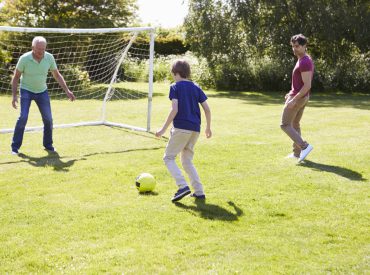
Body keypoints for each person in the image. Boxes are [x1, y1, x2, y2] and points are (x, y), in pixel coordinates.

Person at [155, 59, 212, 202]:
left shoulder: (175, 87)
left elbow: (174, 109)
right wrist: (208, 127)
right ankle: (199, 192)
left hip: (181, 128)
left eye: (173, 74)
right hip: (195, 130)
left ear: (175, 73)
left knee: (168, 158)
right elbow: (207, 109)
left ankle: (182, 186)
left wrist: (162, 130)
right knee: (187, 161)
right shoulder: (196, 87)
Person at [11, 36, 75, 155]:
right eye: (39, 49)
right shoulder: (24, 59)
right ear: (33, 47)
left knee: (48, 119)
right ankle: (15, 147)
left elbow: (57, 75)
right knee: (23, 117)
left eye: (43, 49)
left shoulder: (49, 57)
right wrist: (14, 96)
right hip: (26, 90)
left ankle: (48, 145)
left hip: (42, 91)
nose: (41, 52)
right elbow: (16, 78)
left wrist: (67, 90)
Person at [281, 34, 314, 162]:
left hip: (299, 98)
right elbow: (299, 83)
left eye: (297, 46)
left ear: (304, 46)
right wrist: (290, 93)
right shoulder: (302, 59)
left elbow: (307, 85)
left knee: (285, 124)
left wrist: (294, 99)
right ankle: (297, 153)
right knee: (295, 124)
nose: (294, 49)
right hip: (299, 96)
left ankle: (304, 146)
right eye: (293, 46)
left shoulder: (305, 61)